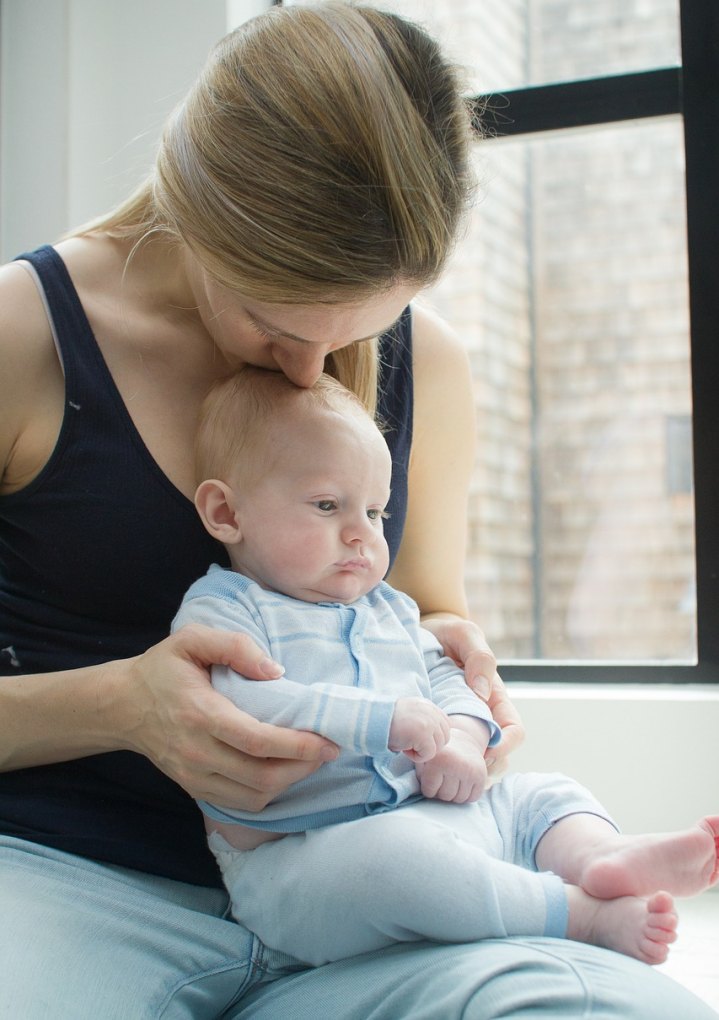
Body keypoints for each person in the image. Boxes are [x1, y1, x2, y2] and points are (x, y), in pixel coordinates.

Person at [0, 2, 715, 1017]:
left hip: (380, 889)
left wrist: (461, 679)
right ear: (200, 210)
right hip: (70, 889)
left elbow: (422, 614)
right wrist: (126, 707)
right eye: (270, 320)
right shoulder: (21, 336)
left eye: (360, 332)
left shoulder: (431, 362)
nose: (313, 369)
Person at [174, 365, 719, 969]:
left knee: (543, 796)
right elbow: (245, 704)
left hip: (440, 809)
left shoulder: (386, 608)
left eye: (376, 513)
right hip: (309, 864)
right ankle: (578, 912)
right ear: (227, 512)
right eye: (328, 505)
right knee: (399, 863)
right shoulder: (226, 608)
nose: (362, 535)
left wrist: (462, 735)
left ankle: (601, 857)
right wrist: (382, 720)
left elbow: (443, 677)